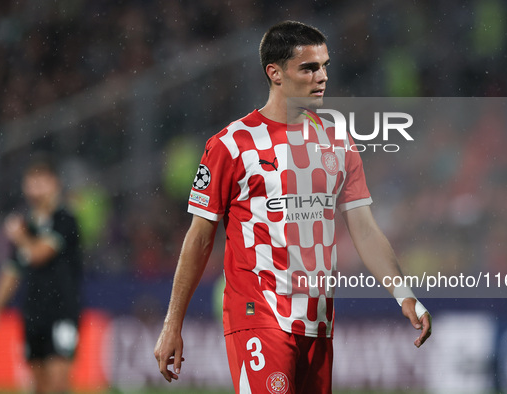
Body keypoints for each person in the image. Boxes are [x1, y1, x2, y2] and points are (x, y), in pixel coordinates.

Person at [154, 20, 431, 393]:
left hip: (318, 320)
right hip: (258, 313)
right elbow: (199, 238)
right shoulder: (231, 145)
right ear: (276, 73)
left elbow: (363, 228)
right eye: (309, 67)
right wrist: (173, 324)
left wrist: (404, 294)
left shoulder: (337, 141)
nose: (322, 77)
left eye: (325, 66)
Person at [0, 156, 82, 394]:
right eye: (32, 182)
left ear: (55, 184)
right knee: (39, 385)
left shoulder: (65, 219)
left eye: (41, 182)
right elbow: (13, 270)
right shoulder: (26, 224)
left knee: (58, 383)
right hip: (32, 312)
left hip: (62, 310)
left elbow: (39, 254)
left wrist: (19, 236)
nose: (36, 189)